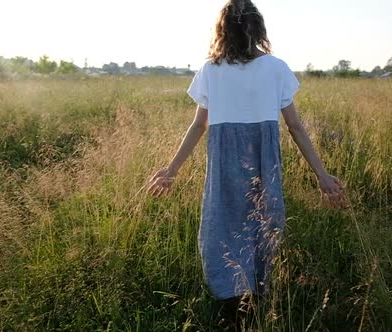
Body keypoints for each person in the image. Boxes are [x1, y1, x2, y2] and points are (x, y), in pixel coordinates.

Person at [147, 0, 346, 329]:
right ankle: (255, 304)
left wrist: (171, 171)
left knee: (222, 228)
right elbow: (295, 127)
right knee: (263, 227)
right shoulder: (276, 67)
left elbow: (199, 126)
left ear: (222, 28)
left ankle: (233, 306)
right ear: (257, 27)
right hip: (262, 163)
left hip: (225, 166)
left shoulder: (211, 69)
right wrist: (321, 175)